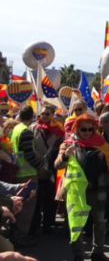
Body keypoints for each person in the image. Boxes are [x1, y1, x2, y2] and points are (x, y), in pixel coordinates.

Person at [54, 114, 109, 261]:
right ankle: (78, 255)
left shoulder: (101, 142)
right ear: (76, 129)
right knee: (76, 223)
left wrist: (104, 156)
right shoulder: (68, 143)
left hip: (97, 189)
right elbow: (57, 165)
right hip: (76, 192)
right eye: (83, 129)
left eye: (90, 129)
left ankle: (97, 252)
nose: (87, 132)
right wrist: (65, 157)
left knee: (99, 222)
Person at [9, 106, 45, 248]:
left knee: (17, 206)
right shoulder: (26, 131)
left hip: (16, 173)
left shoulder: (15, 130)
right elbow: (29, 154)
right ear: (32, 116)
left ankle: (14, 235)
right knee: (26, 208)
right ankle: (21, 237)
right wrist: (40, 167)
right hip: (27, 175)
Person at [30, 105, 64, 235]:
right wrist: (42, 160)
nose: (44, 116)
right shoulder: (33, 128)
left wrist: (50, 162)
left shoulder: (58, 130)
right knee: (36, 198)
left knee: (50, 198)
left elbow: (61, 147)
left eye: (47, 114)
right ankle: (35, 223)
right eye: (42, 114)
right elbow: (31, 147)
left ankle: (48, 224)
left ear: (52, 115)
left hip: (52, 169)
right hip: (37, 167)